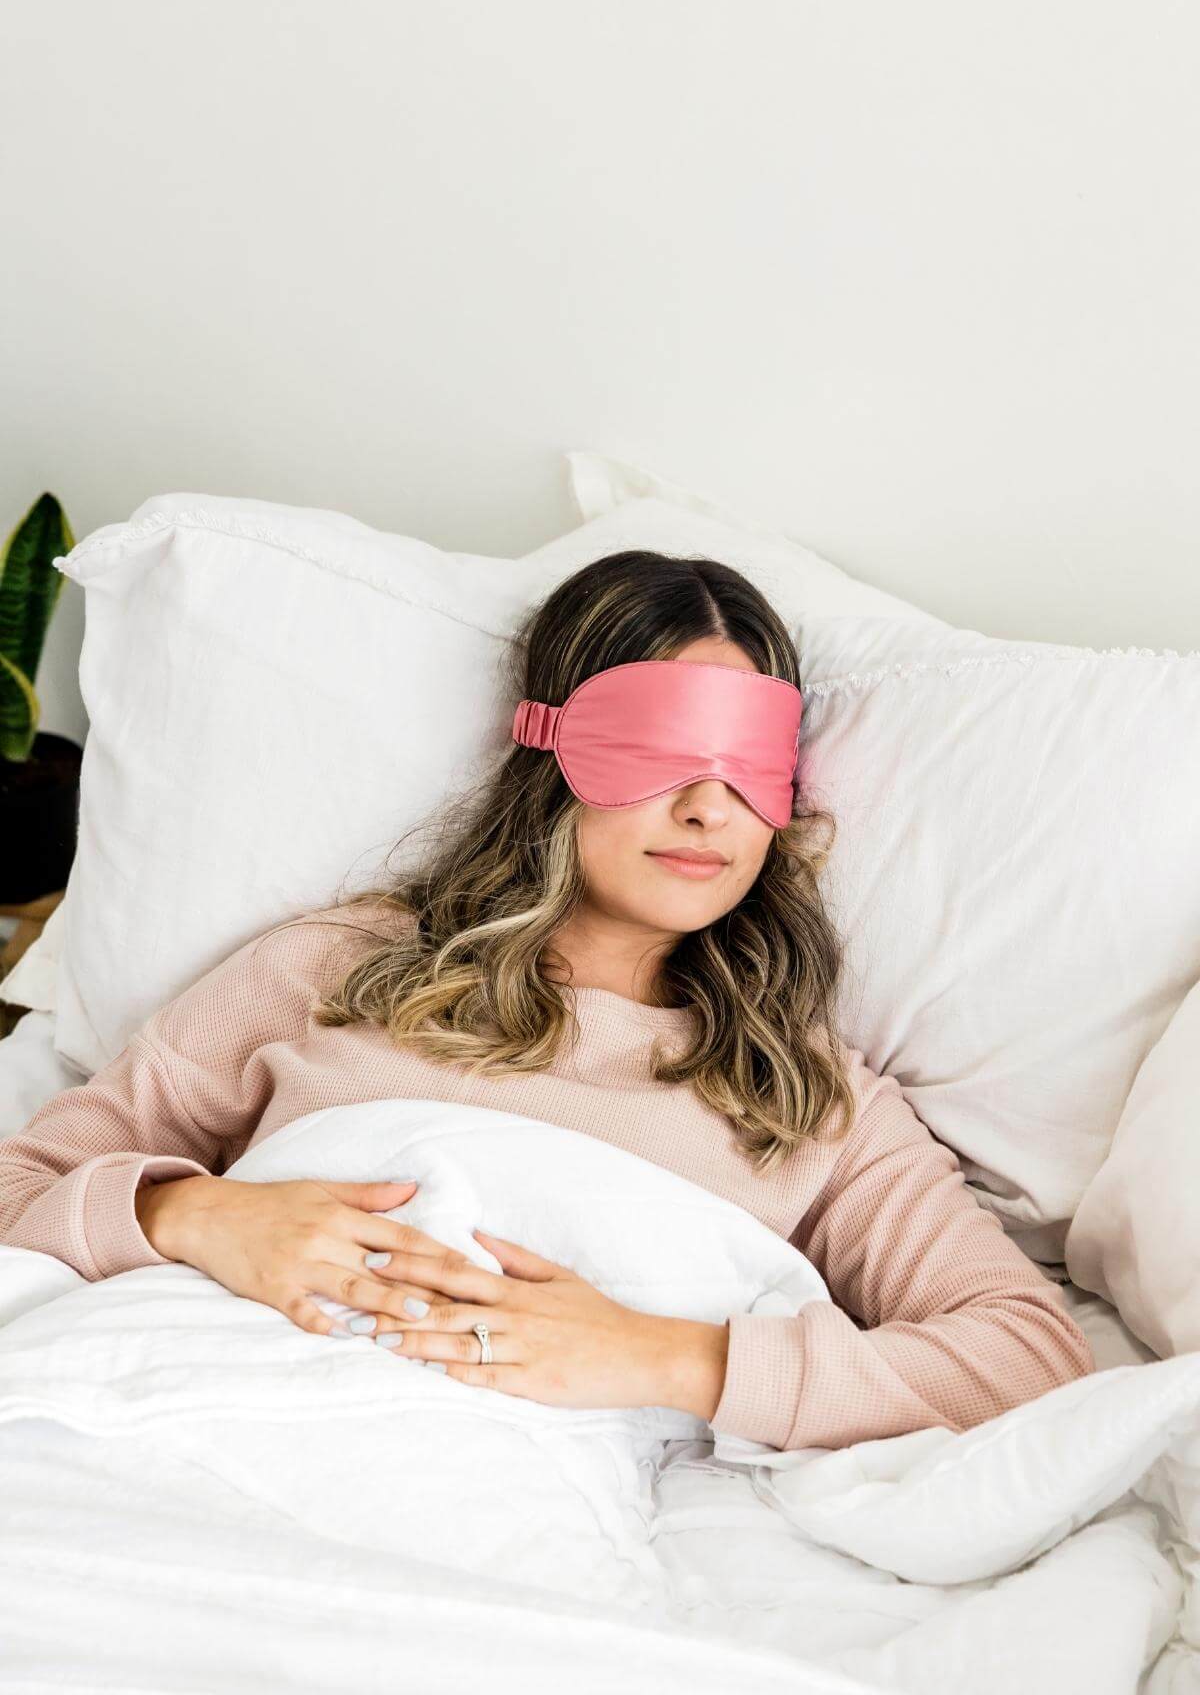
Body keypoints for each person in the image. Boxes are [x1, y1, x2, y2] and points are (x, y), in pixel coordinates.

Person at [0, 548, 1094, 1452]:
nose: (710, 807)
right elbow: (22, 1184)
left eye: (750, 762)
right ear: (549, 745)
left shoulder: (810, 1100)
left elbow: (1027, 1356)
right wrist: (192, 1215)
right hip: (164, 1416)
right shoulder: (333, 967)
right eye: (662, 748)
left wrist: (659, 1355)